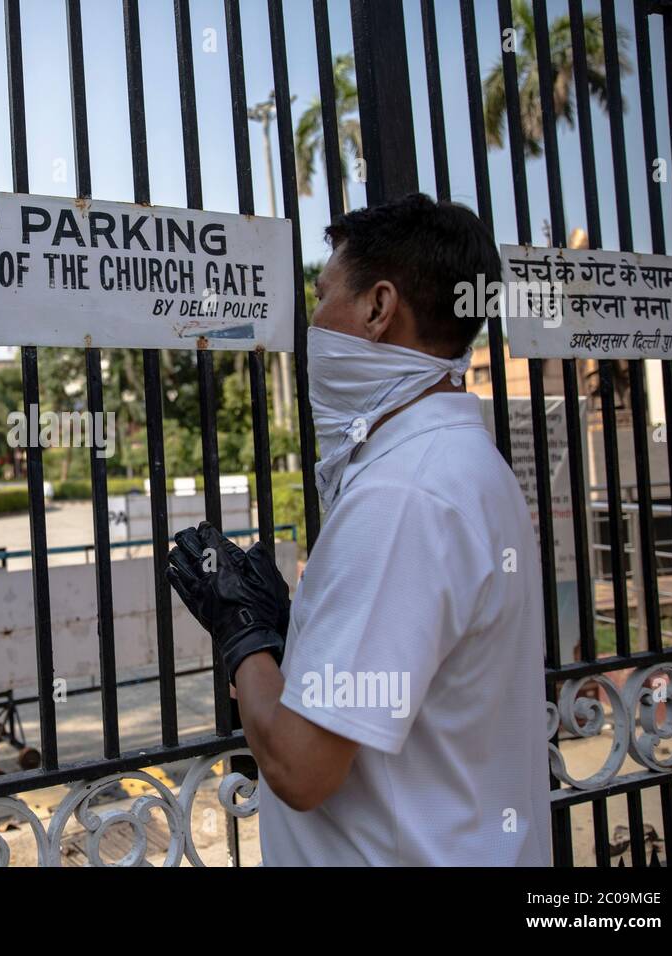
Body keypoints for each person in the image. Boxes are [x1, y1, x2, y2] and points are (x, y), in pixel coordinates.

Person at [168, 193, 550, 865]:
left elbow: (301, 768)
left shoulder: (403, 495)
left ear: (377, 308)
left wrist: (243, 634)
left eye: (321, 296)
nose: (312, 320)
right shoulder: (464, 463)